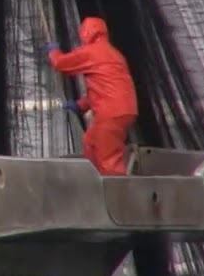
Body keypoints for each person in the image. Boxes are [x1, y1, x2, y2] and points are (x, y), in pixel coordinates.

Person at [46, 16, 138, 175]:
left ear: (86, 33)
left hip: (110, 113)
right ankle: (96, 180)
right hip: (126, 110)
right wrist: (80, 105)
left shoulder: (92, 52)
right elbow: (107, 89)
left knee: (107, 157)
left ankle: (115, 192)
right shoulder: (115, 54)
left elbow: (61, 64)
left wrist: (53, 51)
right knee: (91, 141)